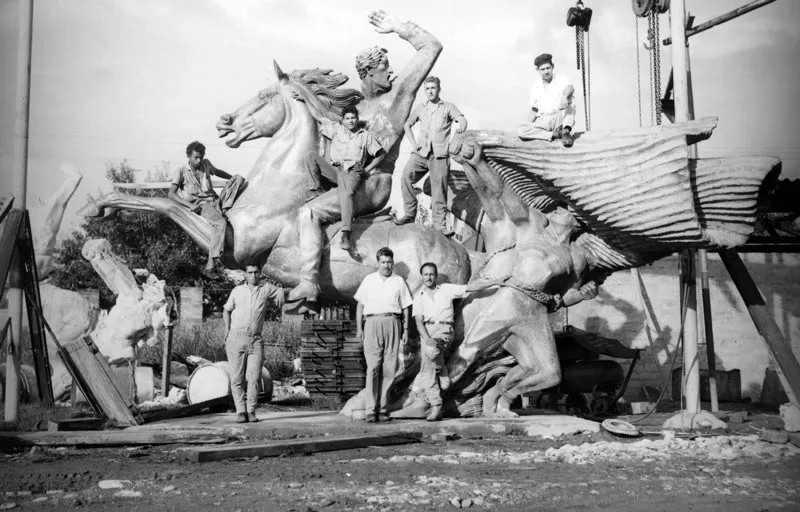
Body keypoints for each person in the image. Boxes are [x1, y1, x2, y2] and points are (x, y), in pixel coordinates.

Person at [289, 10, 442, 305]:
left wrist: (397, 27)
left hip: (372, 183)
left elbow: (431, 47)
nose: (391, 72)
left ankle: (308, 281)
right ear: (369, 73)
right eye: (385, 67)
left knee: (308, 213)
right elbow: (324, 124)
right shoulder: (358, 111)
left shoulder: (396, 98)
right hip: (348, 177)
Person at [413, 263, 505, 421]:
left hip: (444, 330)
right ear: (422, 276)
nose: (428, 277)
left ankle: (440, 376)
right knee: (427, 371)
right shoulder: (418, 296)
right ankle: (437, 403)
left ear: (436, 276)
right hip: (426, 331)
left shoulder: (446, 289)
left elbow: (470, 288)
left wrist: (494, 282)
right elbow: (419, 322)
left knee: (431, 353)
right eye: (426, 274)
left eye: (431, 274)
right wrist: (427, 338)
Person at [292, 97, 385, 251]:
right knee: (310, 156)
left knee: (346, 194)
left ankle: (346, 233)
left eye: (353, 118)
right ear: (343, 120)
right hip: (336, 170)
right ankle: (316, 190)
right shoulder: (337, 129)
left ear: (357, 119)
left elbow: (380, 154)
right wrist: (304, 100)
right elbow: (318, 115)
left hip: (352, 171)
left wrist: (366, 170)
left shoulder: (364, 136)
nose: (350, 121)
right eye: (347, 118)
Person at [394, 76, 467, 236]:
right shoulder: (420, 108)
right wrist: (414, 144)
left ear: (439, 89)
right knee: (406, 177)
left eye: (433, 88)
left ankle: (440, 226)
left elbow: (461, 119)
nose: (430, 91)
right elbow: (407, 125)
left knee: (439, 190)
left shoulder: (448, 107)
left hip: (440, 155)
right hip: (421, 153)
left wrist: (461, 126)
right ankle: (409, 214)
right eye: (427, 89)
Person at [354, 247, 413, 423]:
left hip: (393, 323)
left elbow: (406, 307)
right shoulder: (368, 280)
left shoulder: (398, 281)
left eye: (389, 262)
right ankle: (371, 410)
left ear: (392, 263)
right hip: (372, 323)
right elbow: (360, 305)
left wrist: (406, 329)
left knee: (389, 368)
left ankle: (383, 409)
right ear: (377, 263)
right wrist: (359, 328)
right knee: (372, 367)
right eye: (383, 262)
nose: (386, 265)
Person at [222, 264, 285, 423]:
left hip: (256, 339)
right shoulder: (237, 291)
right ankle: (240, 411)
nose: (254, 276)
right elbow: (226, 310)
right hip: (236, 337)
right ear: (245, 274)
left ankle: (251, 410)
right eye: (250, 273)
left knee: (254, 377)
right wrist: (226, 330)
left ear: (260, 274)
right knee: (236, 377)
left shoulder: (265, 289)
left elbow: (280, 289)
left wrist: (281, 293)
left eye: (257, 273)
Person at [169, 141, 233, 279]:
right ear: (189, 157)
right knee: (220, 223)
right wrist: (189, 205)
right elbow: (171, 194)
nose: (199, 160)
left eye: (201, 157)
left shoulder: (206, 164)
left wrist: (231, 177)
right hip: (200, 203)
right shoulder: (181, 171)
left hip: (214, 199)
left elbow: (217, 172)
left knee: (238, 182)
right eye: (196, 157)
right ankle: (211, 264)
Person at [517, 53, 576, 147]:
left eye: (548, 68)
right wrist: (529, 126)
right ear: (538, 70)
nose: (546, 72)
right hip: (544, 121)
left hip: (559, 118)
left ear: (553, 67)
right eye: (542, 69)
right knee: (521, 130)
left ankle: (565, 131)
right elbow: (534, 110)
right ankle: (554, 135)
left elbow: (571, 87)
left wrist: (564, 96)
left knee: (571, 101)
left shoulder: (561, 79)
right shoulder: (535, 86)